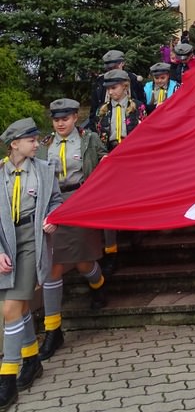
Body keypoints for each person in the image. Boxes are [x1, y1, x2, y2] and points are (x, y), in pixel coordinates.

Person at [37, 99, 108, 362]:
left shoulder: (88, 139)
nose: (60, 123)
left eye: (65, 118)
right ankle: (53, 330)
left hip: (81, 202)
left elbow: (104, 161)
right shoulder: (44, 145)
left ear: (76, 117)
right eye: (56, 119)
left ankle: (98, 284)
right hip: (53, 207)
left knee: (82, 262)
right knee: (53, 265)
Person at [0, 118, 62, 409]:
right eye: (31, 140)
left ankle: (7, 378)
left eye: (37, 140)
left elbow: (55, 201)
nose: (37, 144)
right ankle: (32, 359)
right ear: (15, 144)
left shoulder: (45, 170)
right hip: (5, 243)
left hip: (31, 240)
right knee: (21, 307)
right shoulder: (0, 173)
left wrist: (53, 217)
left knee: (10, 308)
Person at [95, 69, 146, 275]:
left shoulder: (137, 107)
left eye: (114, 87)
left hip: (132, 154)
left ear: (124, 87)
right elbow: (99, 134)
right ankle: (111, 249)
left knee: (134, 194)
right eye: (108, 88)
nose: (111, 92)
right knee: (111, 198)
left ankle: (136, 232)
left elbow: (144, 132)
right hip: (111, 155)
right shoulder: (103, 110)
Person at [88, 50, 145, 130]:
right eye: (109, 69)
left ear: (122, 63)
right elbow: (94, 111)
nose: (112, 72)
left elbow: (142, 106)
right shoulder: (100, 82)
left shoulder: (134, 80)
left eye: (115, 67)